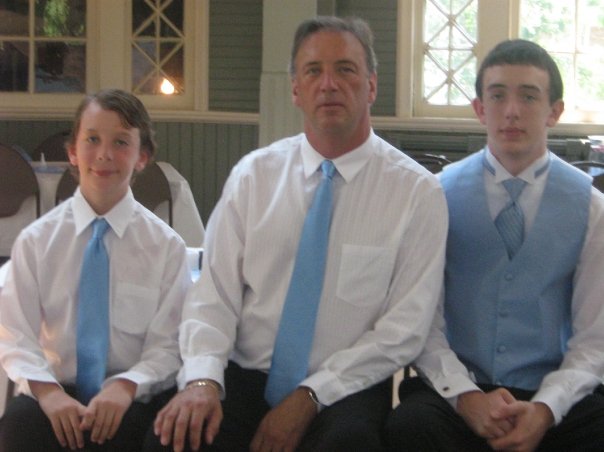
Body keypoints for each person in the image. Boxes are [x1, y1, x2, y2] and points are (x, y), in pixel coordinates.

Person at [147, 16, 447, 452]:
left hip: (345, 386)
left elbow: (404, 329)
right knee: (173, 438)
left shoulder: (416, 193)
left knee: (350, 445)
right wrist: (203, 380)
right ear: (294, 89)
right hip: (244, 374)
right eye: (313, 71)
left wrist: (310, 396)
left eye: (345, 69)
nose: (328, 84)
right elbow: (213, 295)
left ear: (371, 86)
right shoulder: (254, 176)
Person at [385, 39, 604, 451]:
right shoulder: (436, 195)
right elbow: (421, 319)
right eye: (498, 96)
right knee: (409, 427)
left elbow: (595, 337)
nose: (512, 111)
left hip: (552, 391)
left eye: (529, 97)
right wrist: (465, 397)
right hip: (459, 387)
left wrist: (546, 408)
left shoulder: (591, 208)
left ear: (554, 111)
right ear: (480, 109)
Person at [0, 89, 191, 451]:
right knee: (20, 426)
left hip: (134, 393)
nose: (104, 154)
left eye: (121, 142)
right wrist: (48, 393)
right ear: (72, 151)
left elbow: (169, 344)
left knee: (162, 435)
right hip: (58, 390)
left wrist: (127, 386)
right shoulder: (37, 241)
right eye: (92, 139)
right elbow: (14, 334)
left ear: (142, 156)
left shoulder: (166, 247)